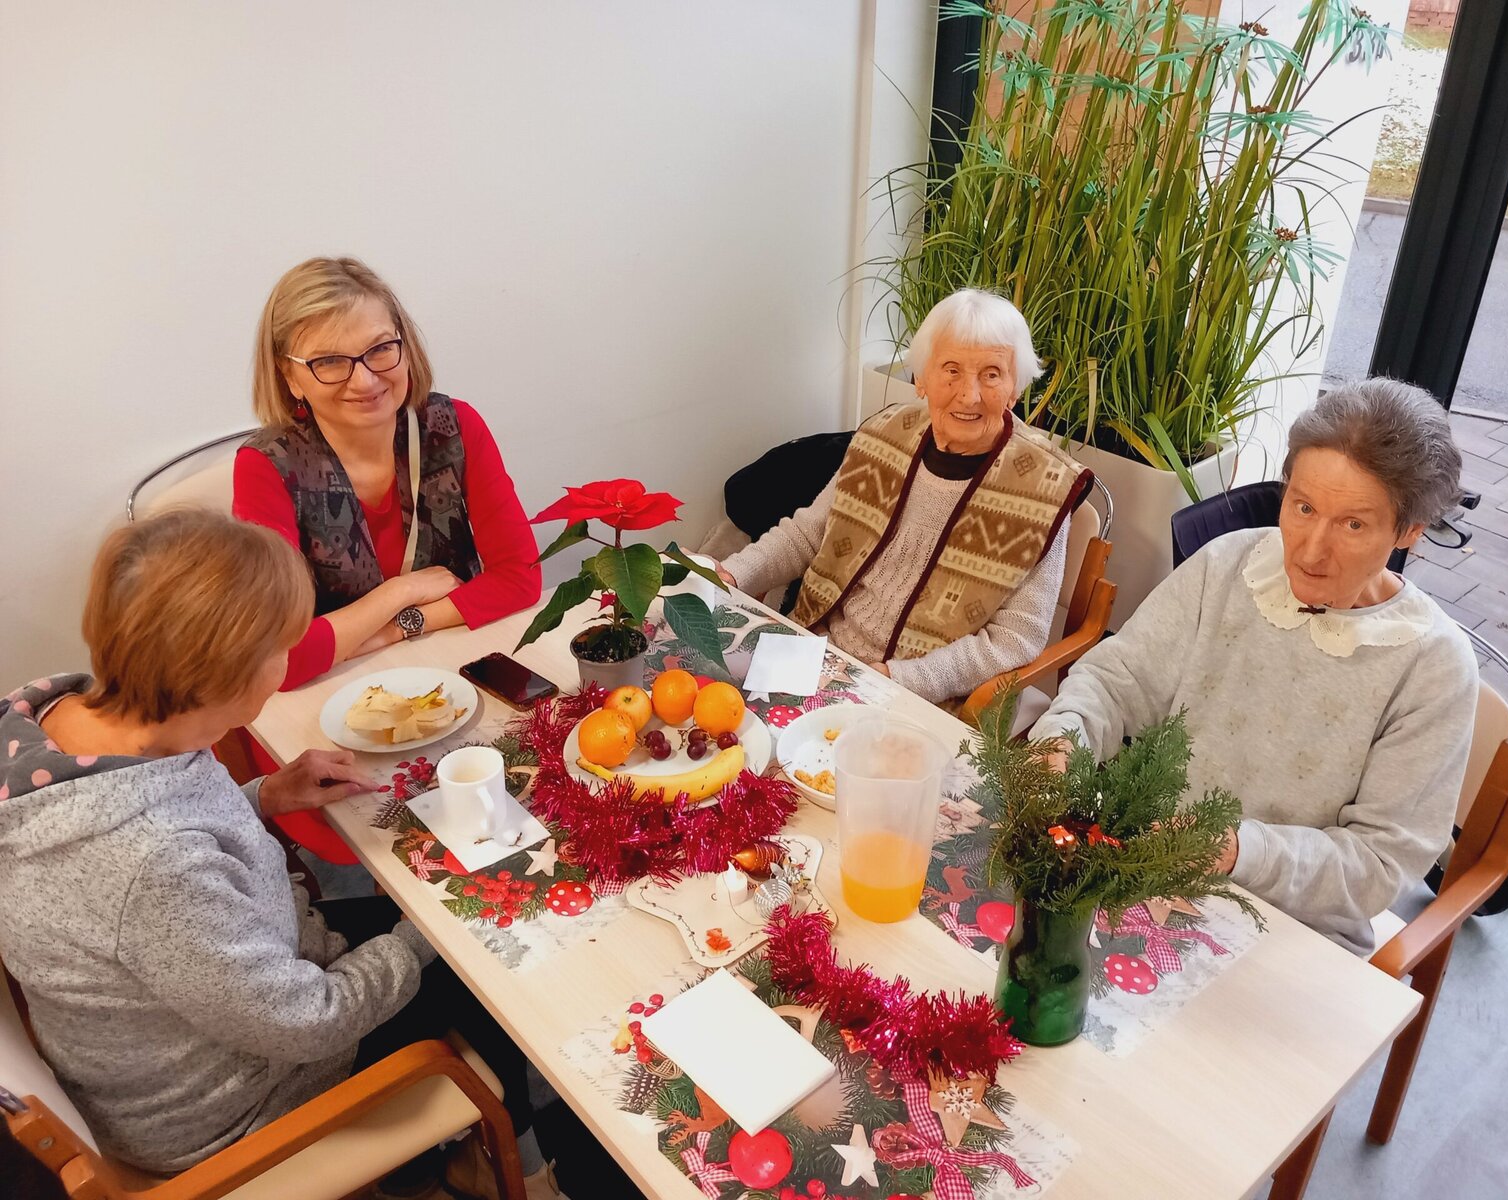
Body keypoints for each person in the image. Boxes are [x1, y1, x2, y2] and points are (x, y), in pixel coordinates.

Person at [0, 510, 639, 1199]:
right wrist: (436, 927)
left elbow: (164, 858)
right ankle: (512, 1169)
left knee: (449, 940)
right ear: (225, 675)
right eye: (284, 645)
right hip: (235, 1108)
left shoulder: (65, 720)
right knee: (494, 973)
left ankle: (440, 1156)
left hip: (215, 1005)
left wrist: (263, 795)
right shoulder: (152, 865)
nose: (293, 659)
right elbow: (308, 1020)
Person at [1031, 379, 1479, 954]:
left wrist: (1236, 849)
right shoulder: (1228, 564)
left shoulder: (1432, 666)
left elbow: (1378, 863)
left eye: (1353, 524)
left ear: (1410, 530)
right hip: (1133, 862)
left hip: (1289, 930)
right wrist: (1065, 738)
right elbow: (1116, 684)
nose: (1310, 550)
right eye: (1303, 507)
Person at [715, 289, 1092, 704]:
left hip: (925, 696)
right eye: (951, 370)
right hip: (818, 653)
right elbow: (808, 534)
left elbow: (1015, 639)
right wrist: (732, 573)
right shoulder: (886, 434)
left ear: (1014, 388)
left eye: (991, 374)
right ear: (922, 379)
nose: (969, 395)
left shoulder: (1042, 489)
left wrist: (898, 678)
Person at [234, 256, 542, 692]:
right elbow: (273, 656)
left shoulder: (455, 426)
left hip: (457, 666)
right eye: (329, 361)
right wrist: (400, 593)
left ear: (405, 345)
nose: (364, 381)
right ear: (291, 377)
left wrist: (398, 626)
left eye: (380, 349)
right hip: (335, 691)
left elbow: (520, 577)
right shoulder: (265, 467)